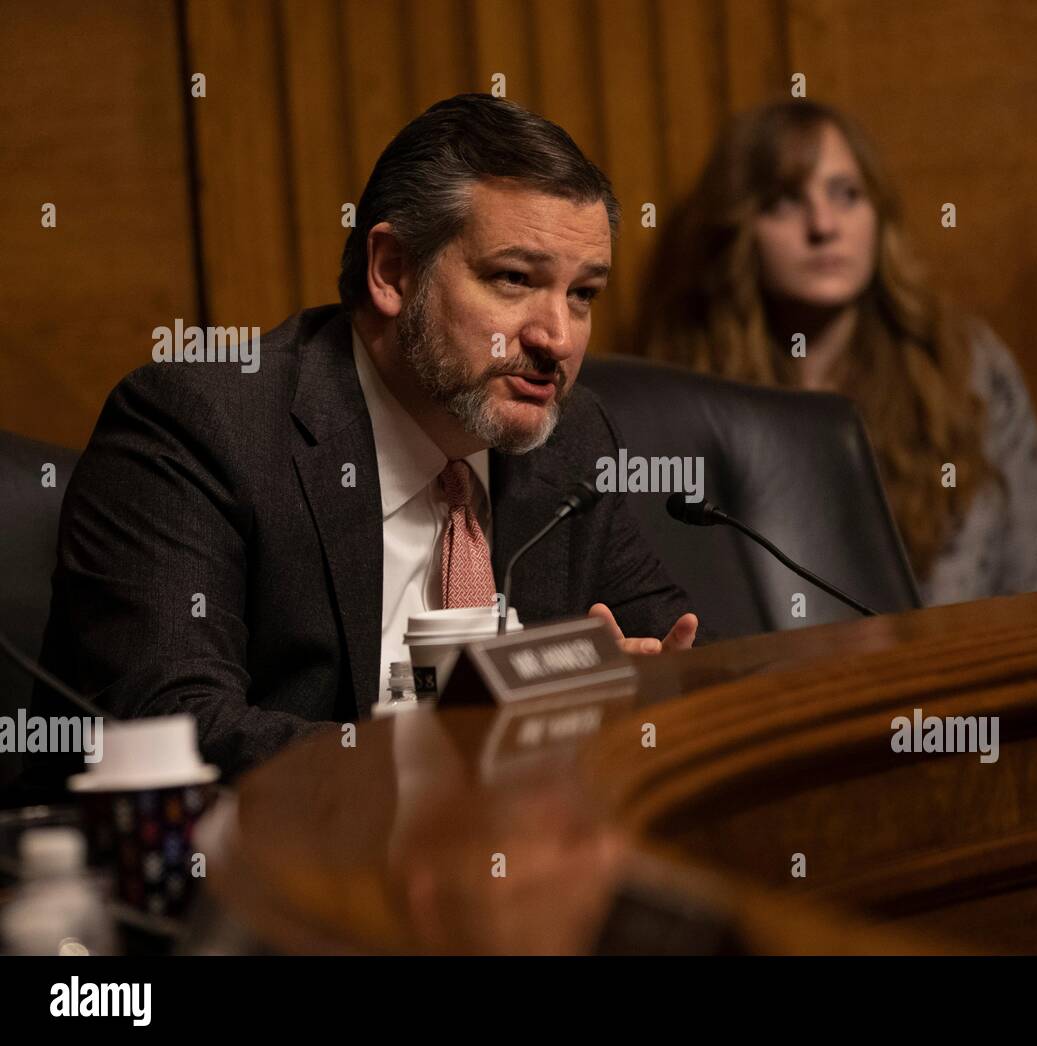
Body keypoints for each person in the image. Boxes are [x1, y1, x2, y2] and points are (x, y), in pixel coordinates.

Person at [30, 94, 700, 783]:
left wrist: (646, 702)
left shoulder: (570, 439)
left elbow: (678, 657)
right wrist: (449, 757)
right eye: (513, 279)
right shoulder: (202, 428)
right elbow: (172, 729)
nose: (556, 338)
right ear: (391, 271)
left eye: (583, 294)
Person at [638, 100, 1037, 605]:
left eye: (846, 194)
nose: (823, 225)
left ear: (878, 216)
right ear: (740, 231)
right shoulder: (688, 392)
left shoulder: (964, 365)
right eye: (783, 202)